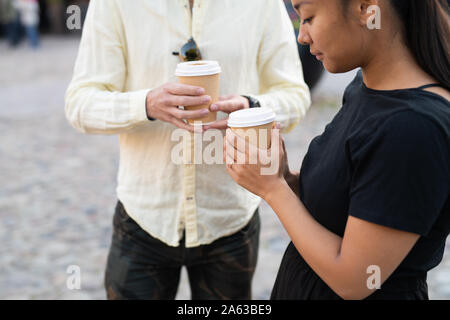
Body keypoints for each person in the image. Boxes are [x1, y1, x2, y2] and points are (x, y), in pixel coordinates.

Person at [65, 0, 311, 299]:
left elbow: (296, 96)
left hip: (231, 216)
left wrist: (251, 107)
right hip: (143, 216)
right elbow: (80, 104)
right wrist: (146, 104)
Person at [225, 0, 450, 300]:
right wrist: (285, 178)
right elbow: (346, 203)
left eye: (308, 18)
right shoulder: (366, 86)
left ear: (365, 8)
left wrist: (273, 190)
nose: (302, 37)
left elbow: (356, 280)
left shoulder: (413, 127)